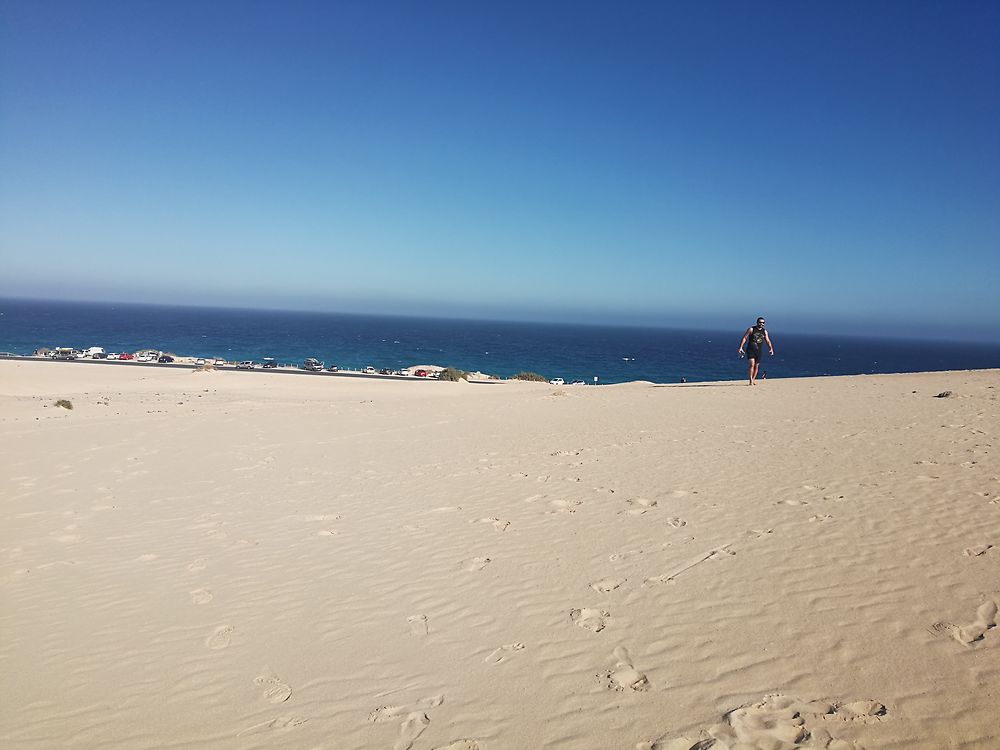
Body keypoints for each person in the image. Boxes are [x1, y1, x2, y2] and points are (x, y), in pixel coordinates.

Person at [738, 317, 774, 386]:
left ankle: (753, 379)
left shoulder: (764, 331)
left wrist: (771, 348)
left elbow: (768, 340)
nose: (762, 324)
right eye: (760, 322)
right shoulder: (751, 329)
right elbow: (744, 338)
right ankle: (751, 380)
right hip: (750, 349)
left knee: (756, 366)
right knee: (751, 364)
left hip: (759, 351)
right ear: (757, 322)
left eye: (763, 323)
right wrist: (740, 347)